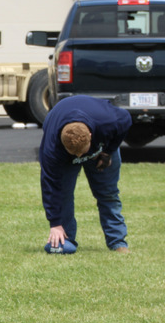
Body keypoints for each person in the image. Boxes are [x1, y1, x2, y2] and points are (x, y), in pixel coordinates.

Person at [40, 95, 132, 254]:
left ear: (90, 136)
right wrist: (54, 224)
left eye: (82, 153)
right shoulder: (51, 148)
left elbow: (126, 120)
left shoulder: (108, 121)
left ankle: (118, 242)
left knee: (108, 193)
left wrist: (108, 152)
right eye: (75, 155)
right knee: (63, 195)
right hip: (64, 155)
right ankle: (65, 240)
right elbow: (50, 185)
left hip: (100, 148)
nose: (79, 158)